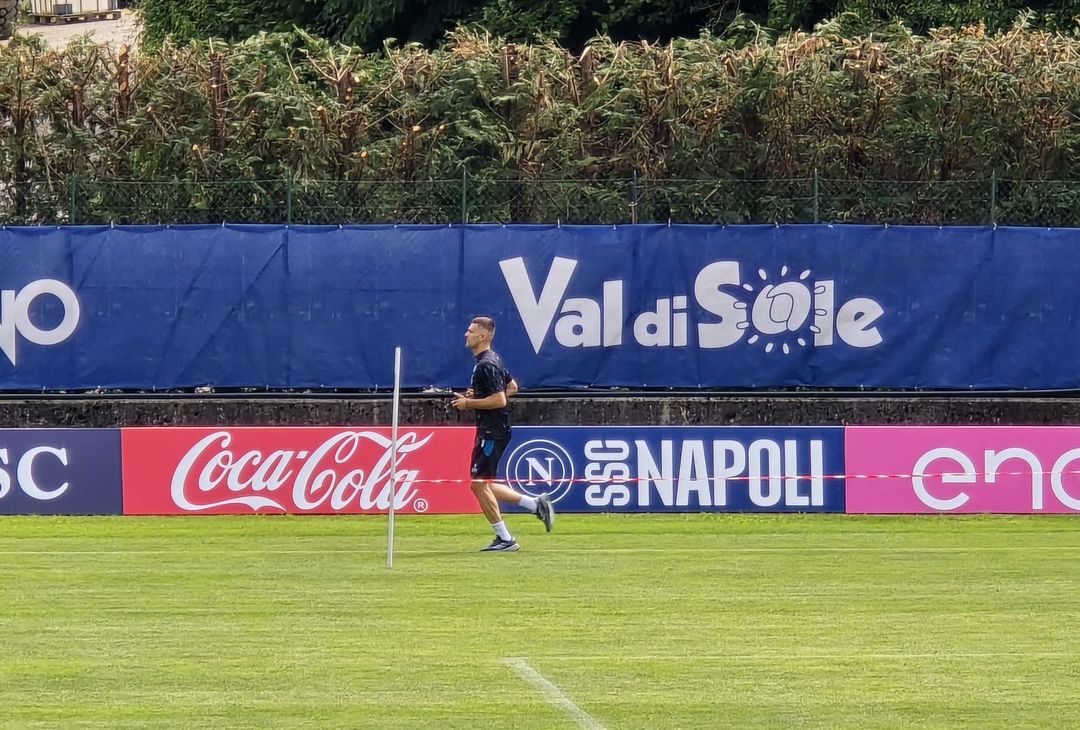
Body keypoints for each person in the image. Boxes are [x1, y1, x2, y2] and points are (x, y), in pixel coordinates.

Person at [452, 316, 554, 552]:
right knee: (482, 483)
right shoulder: (491, 360)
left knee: (478, 485)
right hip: (493, 429)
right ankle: (534, 504)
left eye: (471, 331)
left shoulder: (486, 364)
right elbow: (512, 387)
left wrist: (469, 403)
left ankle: (505, 538)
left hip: (492, 430)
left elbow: (499, 399)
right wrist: (479, 396)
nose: (466, 334)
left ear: (483, 336)